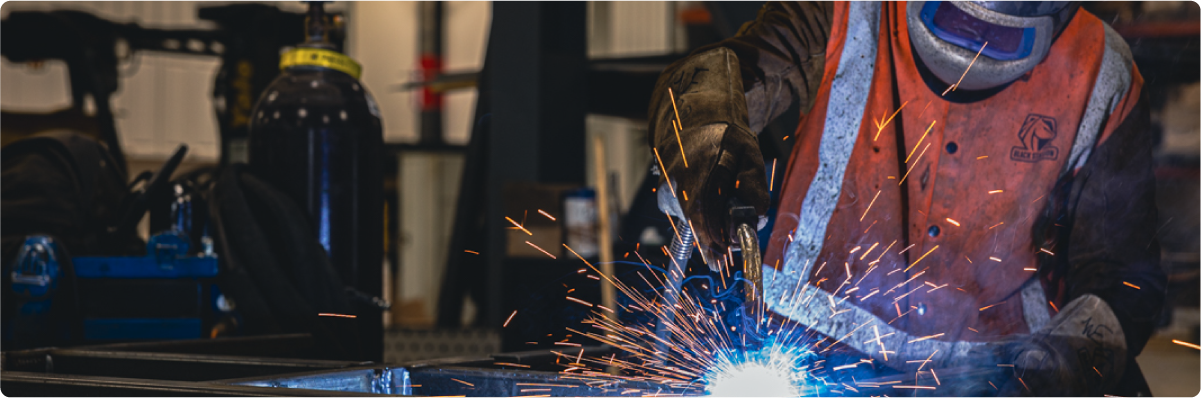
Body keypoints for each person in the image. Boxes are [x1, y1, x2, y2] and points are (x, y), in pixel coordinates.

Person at [649, 0, 1165, 396]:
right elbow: (713, 77)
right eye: (957, 23)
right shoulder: (845, 10)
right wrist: (706, 143)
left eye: (998, 40)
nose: (970, 56)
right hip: (807, 358)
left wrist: (1062, 364)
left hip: (997, 375)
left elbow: (1122, 273)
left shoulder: (1102, 72)